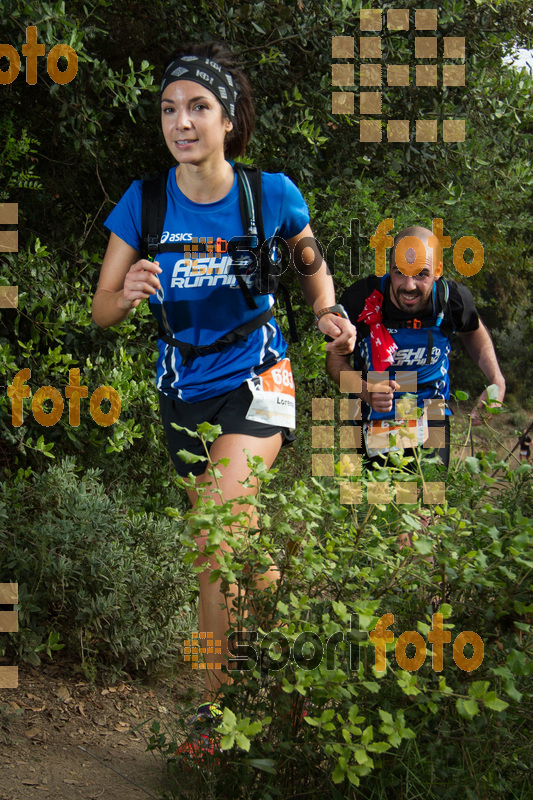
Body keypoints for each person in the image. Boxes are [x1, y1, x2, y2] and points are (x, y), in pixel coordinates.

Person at [91, 41, 355, 730]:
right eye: (169, 109)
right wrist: (130, 291)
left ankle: (212, 712)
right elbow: (102, 308)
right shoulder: (144, 203)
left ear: (229, 119)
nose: (181, 122)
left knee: (214, 539)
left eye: (198, 107)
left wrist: (325, 309)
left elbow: (310, 264)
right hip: (182, 391)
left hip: (258, 374)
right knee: (240, 545)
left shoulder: (268, 194)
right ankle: (296, 654)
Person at [326, 225, 506, 471]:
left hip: (430, 411)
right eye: (399, 273)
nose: (408, 286)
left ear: (438, 271)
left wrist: (496, 380)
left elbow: (473, 331)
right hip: (372, 415)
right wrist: (365, 390)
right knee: (379, 504)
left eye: (421, 274)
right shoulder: (360, 299)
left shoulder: (452, 300)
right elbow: (334, 363)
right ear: (388, 268)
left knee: (428, 503)